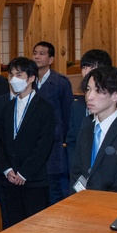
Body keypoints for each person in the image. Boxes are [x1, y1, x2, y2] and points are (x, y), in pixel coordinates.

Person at [0, 56, 56, 226]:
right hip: (9, 179)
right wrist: (6, 169)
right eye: (11, 75)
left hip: (34, 180)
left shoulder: (44, 108)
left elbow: (43, 145)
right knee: (12, 226)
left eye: (19, 75)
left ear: (31, 78)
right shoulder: (7, 107)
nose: (14, 79)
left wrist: (24, 173)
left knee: (33, 229)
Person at [70, 66, 117, 194]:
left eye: (98, 91)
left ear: (116, 95)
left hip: (111, 207)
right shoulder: (87, 128)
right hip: (81, 204)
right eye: (88, 89)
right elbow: (76, 172)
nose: (89, 96)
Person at [32, 41, 72, 202]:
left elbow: (67, 114)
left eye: (42, 53)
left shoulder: (61, 82)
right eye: (35, 52)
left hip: (53, 145)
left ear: (51, 59)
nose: (37, 56)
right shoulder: (28, 81)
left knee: (53, 192)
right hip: (33, 143)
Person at [66, 49, 112, 170]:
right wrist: (75, 169)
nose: (86, 72)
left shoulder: (116, 102)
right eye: (84, 67)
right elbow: (71, 142)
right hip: (80, 172)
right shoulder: (77, 106)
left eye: (91, 67)